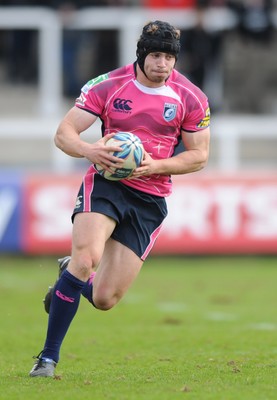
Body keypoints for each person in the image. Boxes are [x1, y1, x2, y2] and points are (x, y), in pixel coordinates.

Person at [29, 20, 210, 377]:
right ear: (142, 55)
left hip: (150, 196)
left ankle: (69, 275)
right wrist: (89, 150)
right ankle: (47, 358)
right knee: (87, 259)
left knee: (104, 299)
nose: (163, 64)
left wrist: (155, 165)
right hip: (107, 181)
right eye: (156, 55)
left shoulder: (191, 97)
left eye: (170, 57)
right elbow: (64, 133)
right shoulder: (109, 85)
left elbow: (199, 155)